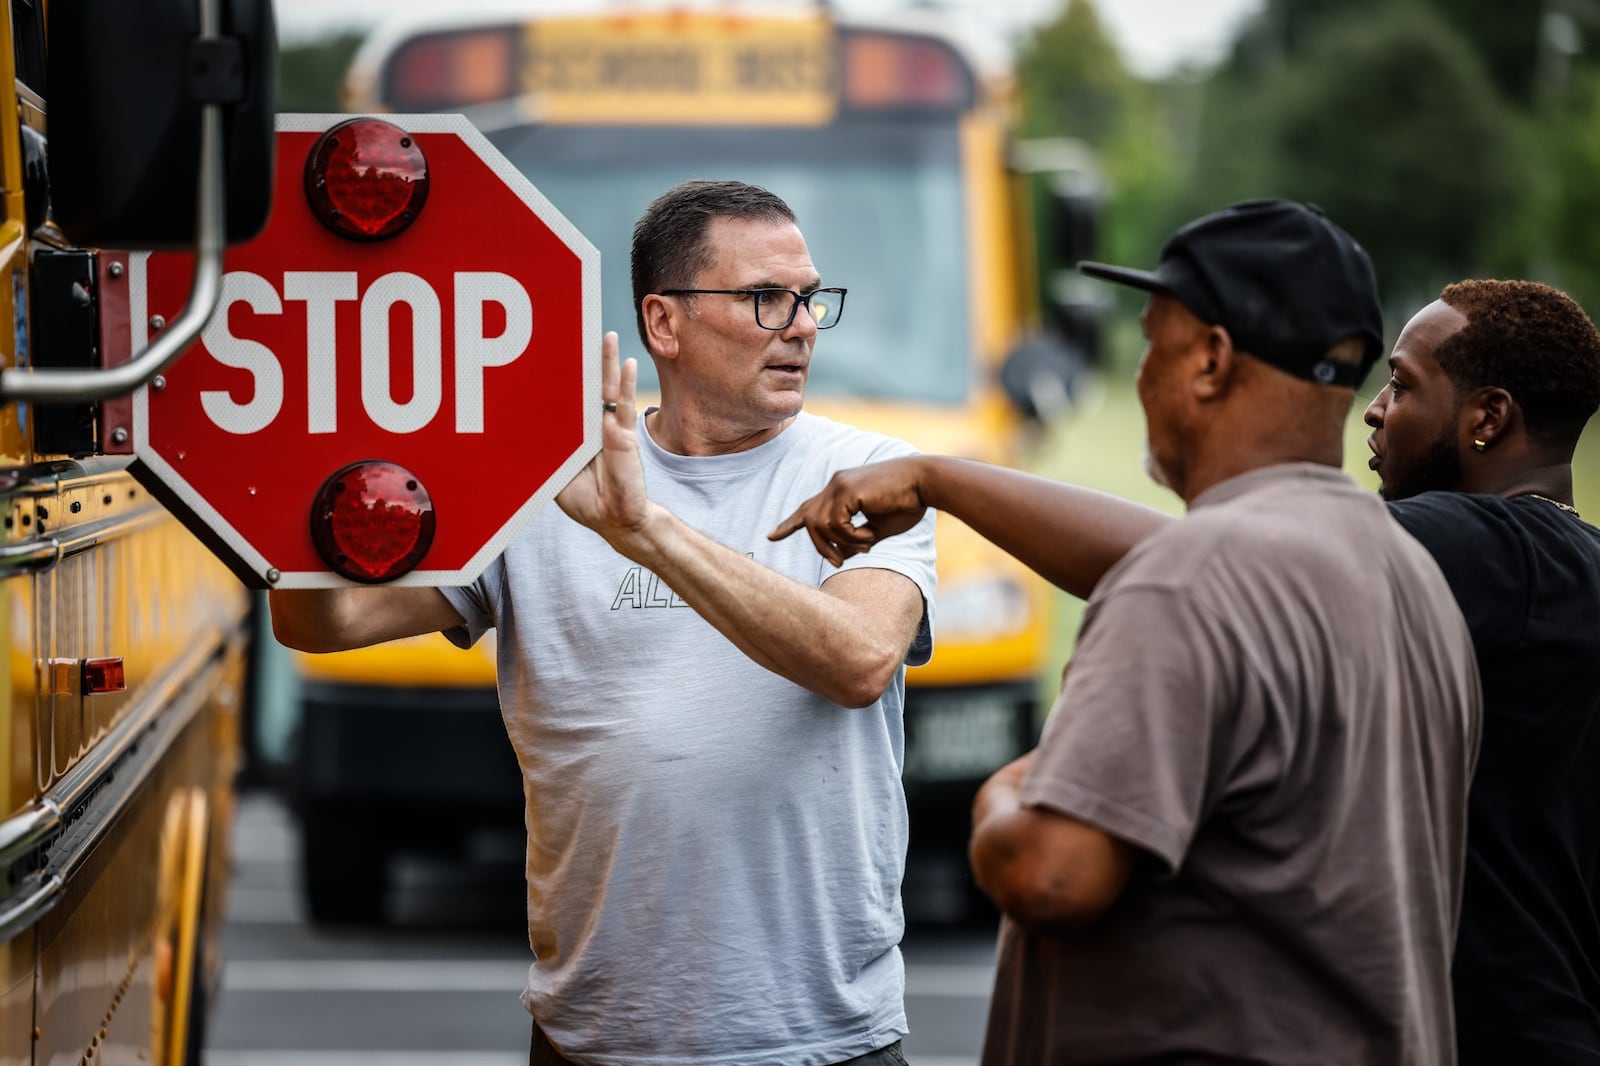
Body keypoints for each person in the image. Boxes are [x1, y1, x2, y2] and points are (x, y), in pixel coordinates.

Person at [779, 276, 1600, 1063]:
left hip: (1489, 1031)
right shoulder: (1574, 565)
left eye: (1404, 386)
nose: (1376, 414)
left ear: (1488, 417)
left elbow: (1200, 566)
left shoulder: (1479, 550)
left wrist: (941, 480)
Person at [270, 179, 936, 1066]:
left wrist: (646, 532)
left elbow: (858, 660)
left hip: (822, 1041)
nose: (804, 324)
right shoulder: (539, 481)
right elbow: (325, 621)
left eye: (811, 299)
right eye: (768, 299)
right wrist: (319, 447)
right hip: (591, 1041)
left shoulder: (870, 471)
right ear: (665, 323)